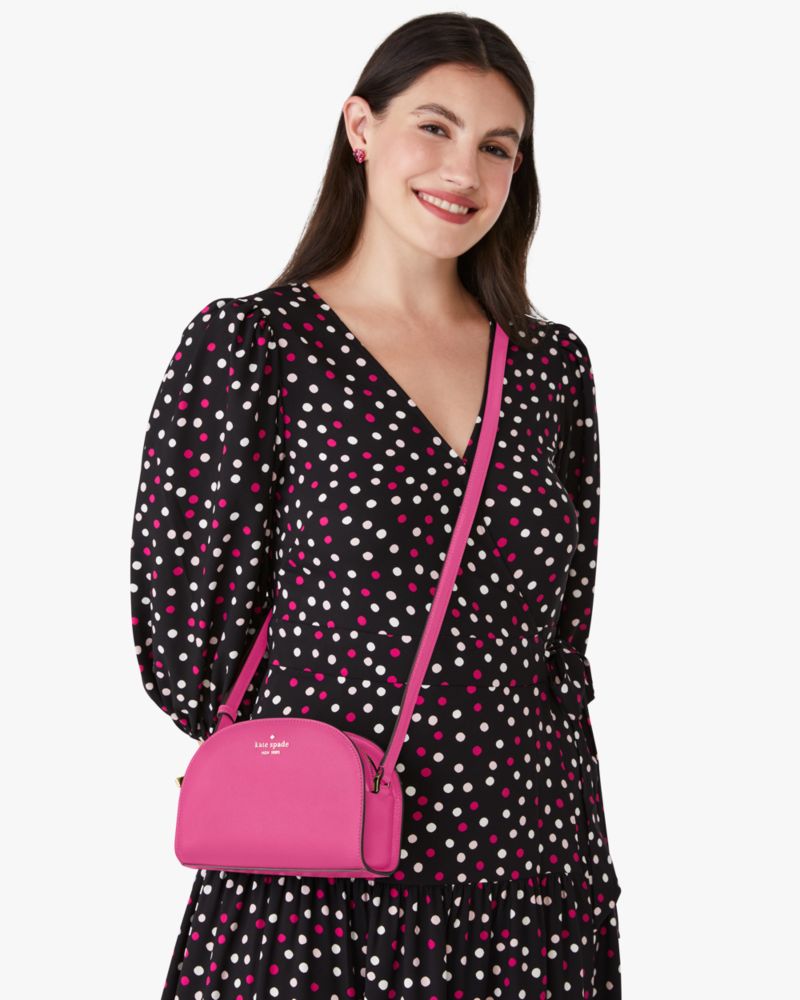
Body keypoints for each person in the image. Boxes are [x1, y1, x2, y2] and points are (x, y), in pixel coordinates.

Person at [129, 12, 622, 998]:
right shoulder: (253, 347)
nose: (464, 172)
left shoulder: (549, 368)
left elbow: (557, 652)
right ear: (360, 127)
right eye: (434, 128)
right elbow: (186, 647)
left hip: (528, 872)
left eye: (497, 147)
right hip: (317, 873)